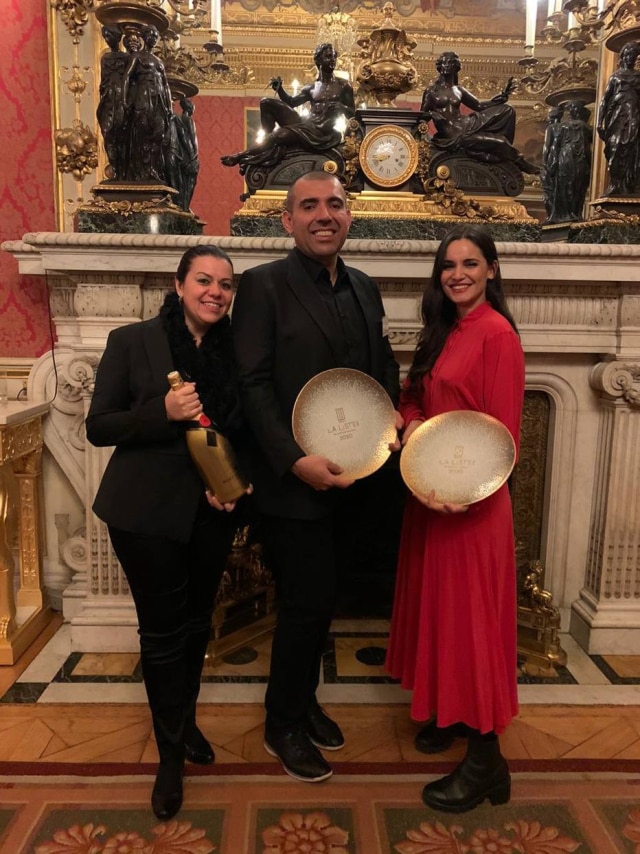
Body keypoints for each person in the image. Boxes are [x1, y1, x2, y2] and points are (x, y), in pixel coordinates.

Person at [232, 171, 401, 783]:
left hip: (356, 478)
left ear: (349, 215)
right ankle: (282, 723)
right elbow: (250, 384)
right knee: (303, 605)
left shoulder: (364, 286)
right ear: (288, 220)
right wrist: (291, 459)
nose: (323, 215)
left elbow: (380, 367)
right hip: (292, 483)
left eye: (334, 204)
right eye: (309, 206)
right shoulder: (261, 286)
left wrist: (393, 419)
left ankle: (304, 702)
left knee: (325, 600)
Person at [86, 246, 250, 821]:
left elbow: (244, 429)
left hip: (211, 510)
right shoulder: (133, 342)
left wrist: (232, 482)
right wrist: (163, 411)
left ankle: (182, 725)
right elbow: (99, 427)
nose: (216, 292)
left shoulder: (238, 349)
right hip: (144, 515)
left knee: (195, 625)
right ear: (179, 284)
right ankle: (170, 759)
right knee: (161, 636)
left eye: (226, 285)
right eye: (204, 280)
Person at [386, 224, 525, 813]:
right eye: (448, 265)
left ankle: (487, 760)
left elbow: (503, 438)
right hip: (430, 495)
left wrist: (454, 492)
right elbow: (413, 396)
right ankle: (446, 709)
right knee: (438, 613)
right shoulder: (442, 330)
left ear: (492, 270)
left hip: (470, 507)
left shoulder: (497, 335)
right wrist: (414, 427)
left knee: (472, 625)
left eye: (470, 263)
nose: (458, 274)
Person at [220, 44, 355, 172]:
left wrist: (341, 107)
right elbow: (292, 102)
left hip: (321, 133)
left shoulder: (343, 86)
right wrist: (280, 90)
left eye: (333, 56)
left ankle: (239, 156)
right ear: (318, 60)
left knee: (279, 135)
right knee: (266, 102)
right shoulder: (311, 87)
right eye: (328, 56)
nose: (332, 60)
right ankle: (267, 140)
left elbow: (353, 114)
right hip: (306, 124)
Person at [420, 51, 538, 174]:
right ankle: (521, 163)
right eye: (443, 62)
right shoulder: (431, 91)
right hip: (454, 135)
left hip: (467, 124)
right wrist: (432, 114)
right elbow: (422, 116)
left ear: (456, 67)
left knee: (507, 110)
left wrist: (501, 98)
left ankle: (503, 155)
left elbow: (479, 105)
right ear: (439, 66)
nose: (446, 65)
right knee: (500, 142)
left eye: (449, 62)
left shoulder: (459, 90)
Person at [122, 25, 173, 183]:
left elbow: (165, 85)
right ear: (144, 37)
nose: (153, 38)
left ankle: (152, 167)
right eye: (150, 35)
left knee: (159, 132)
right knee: (142, 135)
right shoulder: (137, 56)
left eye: (155, 35)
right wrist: (125, 99)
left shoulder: (159, 61)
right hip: (143, 98)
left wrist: (169, 107)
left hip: (158, 100)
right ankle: (142, 171)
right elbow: (127, 78)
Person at [597, 40, 640, 197]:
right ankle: (615, 183)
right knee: (614, 148)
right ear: (623, 56)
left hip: (633, 116)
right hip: (616, 117)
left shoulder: (638, 76)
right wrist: (599, 122)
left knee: (630, 146)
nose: (630, 58)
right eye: (628, 54)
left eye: (633, 55)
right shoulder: (615, 77)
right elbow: (604, 100)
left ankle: (627, 185)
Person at [96, 25, 128, 181]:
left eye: (112, 37)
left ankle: (123, 169)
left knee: (122, 132)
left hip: (122, 99)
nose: (109, 40)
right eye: (107, 37)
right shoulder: (105, 58)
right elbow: (103, 82)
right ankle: (115, 167)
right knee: (108, 132)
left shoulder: (126, 58)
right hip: (109, 99)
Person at [541, 105, 564, 223]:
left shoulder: (551, 128)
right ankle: (555, 214)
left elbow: (546, 147)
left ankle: (552, 216)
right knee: (557, 190)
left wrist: (544, 164)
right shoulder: (563, 127)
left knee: (548, 192)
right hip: (561, 160)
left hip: (551, 159)